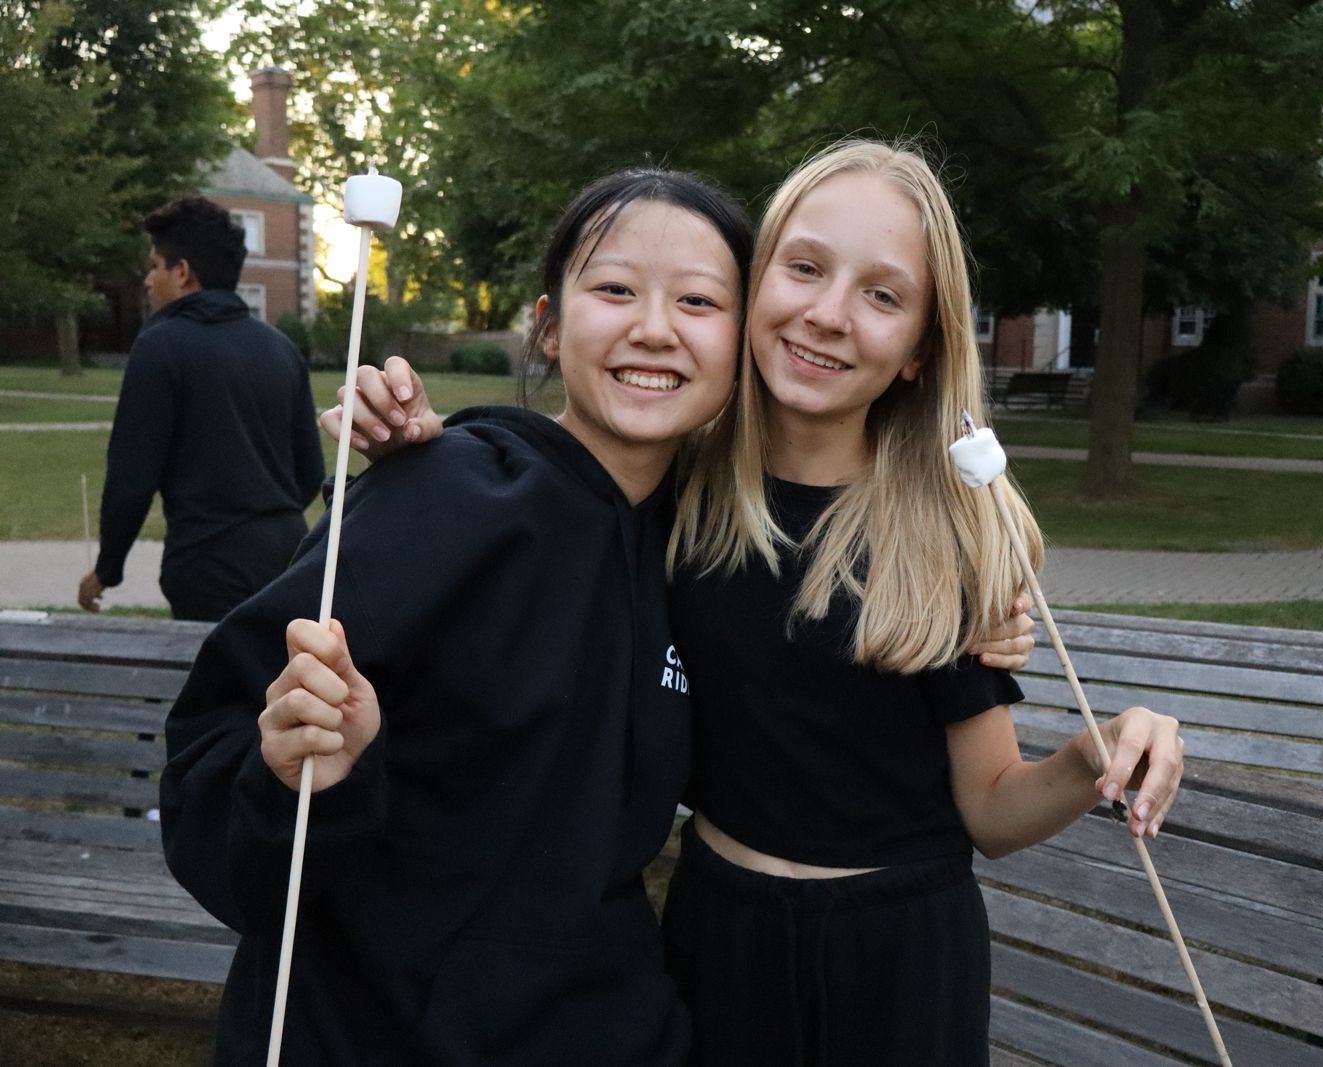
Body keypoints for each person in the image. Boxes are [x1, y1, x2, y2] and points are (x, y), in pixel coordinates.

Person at [337, 139, 1183, 1066]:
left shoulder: (944, 534)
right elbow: (545, 500)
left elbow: (991, 809)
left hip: (897, 954)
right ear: (751, 291)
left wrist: (1090, 757)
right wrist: (410, 438)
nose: (828, 314)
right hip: (716, 934)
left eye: (883, 295)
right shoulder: (677, 493)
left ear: (918, 351)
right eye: (805, 268)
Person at [160, 170, 755, 1065]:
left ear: (742, 342)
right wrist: (303, 776)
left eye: (699, 300)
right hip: (377, 1032)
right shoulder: (447, 495)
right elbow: (216, 761)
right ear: (549, 327)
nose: (655, 327)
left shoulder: (706, 554)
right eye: (615, 289)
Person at [78, 196, 325, 622]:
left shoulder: (160, 346)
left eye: (155, 266)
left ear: (182, 272)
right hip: (287, 559)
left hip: (207, 565)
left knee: (215, 667)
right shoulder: (282, 349)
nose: (148, 280)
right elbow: (309, 473)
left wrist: (106, 570)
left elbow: (131, 478)